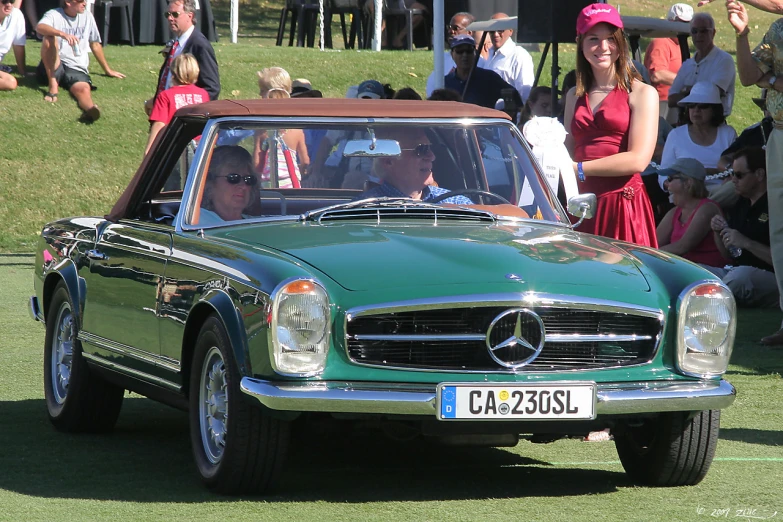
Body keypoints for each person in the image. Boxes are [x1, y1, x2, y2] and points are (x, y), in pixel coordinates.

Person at [563, 3, 659, 247]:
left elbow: (638, 159)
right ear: (580, 42)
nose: (603, 47)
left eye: (610, 39)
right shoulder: (574, 94)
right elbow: (566, 151)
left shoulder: (642, 93)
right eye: (593, 39)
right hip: (581, 205)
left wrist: (579, 169)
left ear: (621, 42)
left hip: (621, 206)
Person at [725, 0, 783, 343]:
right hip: (778, 134)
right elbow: (749, 77)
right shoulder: (778, 30)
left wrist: (772, 78)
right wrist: (743, 34)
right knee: (779, 232)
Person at [704, 147, 777, 308]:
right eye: (731, 174)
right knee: (696, 272)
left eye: (739, 175)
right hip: (735, 270)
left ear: (759, 175)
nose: (733, 180)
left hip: (770, 277)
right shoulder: (741, 203)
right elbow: (728, 256)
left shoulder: (776, 206)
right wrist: (719, 233)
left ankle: (705, 302)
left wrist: (747, 243)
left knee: (740, 277)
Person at [35, 0, 125, 122]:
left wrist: (107, 70)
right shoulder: (54, 14)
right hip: (55, 62)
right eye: (81, 1)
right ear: (68, 2)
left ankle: (90, 109)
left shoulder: (87, 16)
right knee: (49, 36)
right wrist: (62, 34)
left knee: (83, 89)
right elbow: (40, 27)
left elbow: (95, 44)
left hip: (76, 65)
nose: (85, 3)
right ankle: (53, 85)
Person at [658, 81, 737, 194]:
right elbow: (663, 175)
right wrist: (671, 184)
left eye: (703, 106)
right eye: (691, 105)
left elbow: (737, 171)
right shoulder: (676, 135)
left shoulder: (728, 133)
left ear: (714, 109)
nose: (696, 110)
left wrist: (698, 172)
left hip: (721, 191)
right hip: (687, 194)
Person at [145, 0, 219, 116]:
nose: (170, 18)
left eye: (175, 14)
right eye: (167, 14)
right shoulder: (177, 43)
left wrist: (192, 115)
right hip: (166, 111)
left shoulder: (199, 45)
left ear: (190, 16)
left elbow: (212, 88)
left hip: (184, 116)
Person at [361, 128, 473, 204]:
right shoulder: (362, 210)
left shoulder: (458, 203)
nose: (432, 156)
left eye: (430, 148)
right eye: (421, 149)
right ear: (388, 161)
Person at [656, 157, 724, 266]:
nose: (667, 184)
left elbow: (682, 247)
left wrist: (650, 254)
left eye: (670, 179)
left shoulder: (707, 208)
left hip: (708, 274)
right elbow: (652, 244)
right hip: (685, 270)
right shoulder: (675, 212)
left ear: (688, 182)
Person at [667, 12, 736, 120]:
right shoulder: (687, 65)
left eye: (704, 31)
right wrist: (698, 91)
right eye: (694, 31)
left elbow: (713, 94)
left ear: (713, 33)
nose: (699, 35)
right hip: (686, 123)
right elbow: (671, 100)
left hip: (714, 124)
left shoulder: (724, 60)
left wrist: (685, 90)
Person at [254, 67, 308, 188]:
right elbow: (305, 161)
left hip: (266, 184)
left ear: (269, 94)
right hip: (291, 183)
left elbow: (257, 164)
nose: (259, 94)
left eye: (262, 91)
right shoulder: (296, 130)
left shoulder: (261, 130)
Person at [144, 54, 208, 156]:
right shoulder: (203, 94)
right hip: (199, 148)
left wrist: (148, 151)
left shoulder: (165, 96)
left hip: (174, 147)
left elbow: (160, 125)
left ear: (173, 72)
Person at [644, 3, 692, 120]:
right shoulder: (662, 42)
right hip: (662, 103)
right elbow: (657, 74)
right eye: (680, 22)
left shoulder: (681, 44)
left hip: (678, 101)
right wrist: (690, 82)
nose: (684, 26)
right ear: (670, 21)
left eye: (688, 22)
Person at [444, 34, 517, 110]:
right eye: (459, 51)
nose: (465, 55)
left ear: (475, 53)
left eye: (469, 50)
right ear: (452, 54)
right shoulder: (445, 82)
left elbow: (514, 96)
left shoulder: (489, 78)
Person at [425, 12, 483, 97]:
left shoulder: (480, 62)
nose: (451, 31)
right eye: (450, 27)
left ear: (469, 32)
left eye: (456, 28)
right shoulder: (442, 58)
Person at [198, 146, 259, 224]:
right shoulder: (196, 223)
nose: (244, 186)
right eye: (233, 178)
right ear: (209, 183)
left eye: (248, 179)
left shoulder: (259, 224)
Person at [485, 12, 534, 103]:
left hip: (510, 113)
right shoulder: (489, 53)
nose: (495, 34)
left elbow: (525, 91)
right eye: (492, 30)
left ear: (510, 31)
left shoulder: (519, 55)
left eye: (500, 30)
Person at [0, 0, 25, 91]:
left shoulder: (16, 15)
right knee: (10, 82)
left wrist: (22, 71)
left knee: (10, 82)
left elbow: (18, 45)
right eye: (4, 1)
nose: (9, 5)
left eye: (12, 1)